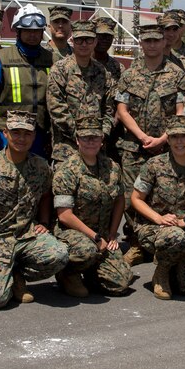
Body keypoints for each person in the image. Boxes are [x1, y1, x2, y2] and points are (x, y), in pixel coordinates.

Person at [0, 111, 69, 309]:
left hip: (26, 235)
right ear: (5, 133)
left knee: (59, 254)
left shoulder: (41, 166)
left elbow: (46, 195)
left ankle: (17, 274)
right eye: (16, 133)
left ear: (33, 136)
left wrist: (43, 222)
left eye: (27, 133)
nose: (21, 138)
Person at [114, 23, 185, 264]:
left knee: (161, 196)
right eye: (147, 41)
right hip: (133, 147)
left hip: (167, 147)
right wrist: (141, 136)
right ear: (141, 43)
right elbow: (122, 110)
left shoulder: (176, 74)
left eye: (156, 40)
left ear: (163, 42)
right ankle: (137, 243)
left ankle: (160, 242)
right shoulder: (129, 75)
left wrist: (162, 139)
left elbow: (181, 111)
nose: (152, 45)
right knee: (130, 197)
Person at [130, 115, 185, 300]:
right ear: (167, 140)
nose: (179, 141)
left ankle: (176, 265)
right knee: (174, 237)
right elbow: (136, 199)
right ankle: (162, 272)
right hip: (154, 228)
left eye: (184, 136)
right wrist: (158, 218)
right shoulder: (154, 165)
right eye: (174, 137)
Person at [52, 116, 132, 297]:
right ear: (77, 140)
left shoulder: (111, 167)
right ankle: (67, 273)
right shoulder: (67, 170)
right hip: (73, 234)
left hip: (101, 235)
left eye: (95, 137)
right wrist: (95, 237)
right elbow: (64, 215)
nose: (90, 142)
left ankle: (91, 274)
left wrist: (112, 233)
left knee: (121, 283)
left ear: (102, 140)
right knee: (86, 251)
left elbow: (120, 199)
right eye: (85, 137)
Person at [0, 4, 55, 159]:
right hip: (8, 134)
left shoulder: (52, 60)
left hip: (40, 134)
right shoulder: (2, 59)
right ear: (18, 31)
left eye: (37, 31)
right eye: (28, 30)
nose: (33, 35)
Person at [47, 20, 115, 166]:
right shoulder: (60, 70)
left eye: (88, 39)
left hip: (97, 150)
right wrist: (81, 136)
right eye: (79, 40)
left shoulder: (103, 73)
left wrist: (100, 135)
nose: (84, 44)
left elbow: (109, 110)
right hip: (67, 149)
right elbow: (56, 109)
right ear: (72, 40)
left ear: (95, 41)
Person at [92, 16, 124, 84]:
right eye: (101, 36)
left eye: (108, 37)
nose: (104, 40)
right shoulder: (83, 63)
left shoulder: (118, 68)